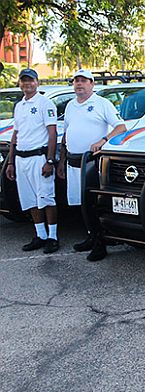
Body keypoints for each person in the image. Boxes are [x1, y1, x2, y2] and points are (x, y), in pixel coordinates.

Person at [57, 69, 127, 261]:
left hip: (91, 162)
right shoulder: (71, 106)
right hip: (72, 160)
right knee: (79, 203)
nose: (79, 84)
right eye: (76, 81)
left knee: (92, 204)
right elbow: (66, 134)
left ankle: (100, 244)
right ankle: (90, 236)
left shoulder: (101, 104)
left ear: (92, 84)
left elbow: (121, 127)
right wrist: (62, 160)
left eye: (83, 81)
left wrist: (104, 140)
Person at [4, 68, 60, 253]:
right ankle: (40, 235)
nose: (27, 84)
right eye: (24, 80)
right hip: (21, 158)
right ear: (19, 83)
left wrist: (50, 161)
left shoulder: (45, 103)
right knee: (30, 199)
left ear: (37, 82)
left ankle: (53, 236)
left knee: (46, 197)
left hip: (39, 157)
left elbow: (52, 133)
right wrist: (11, 161)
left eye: (30, 80)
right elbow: (16, 134)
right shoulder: (19, 106)